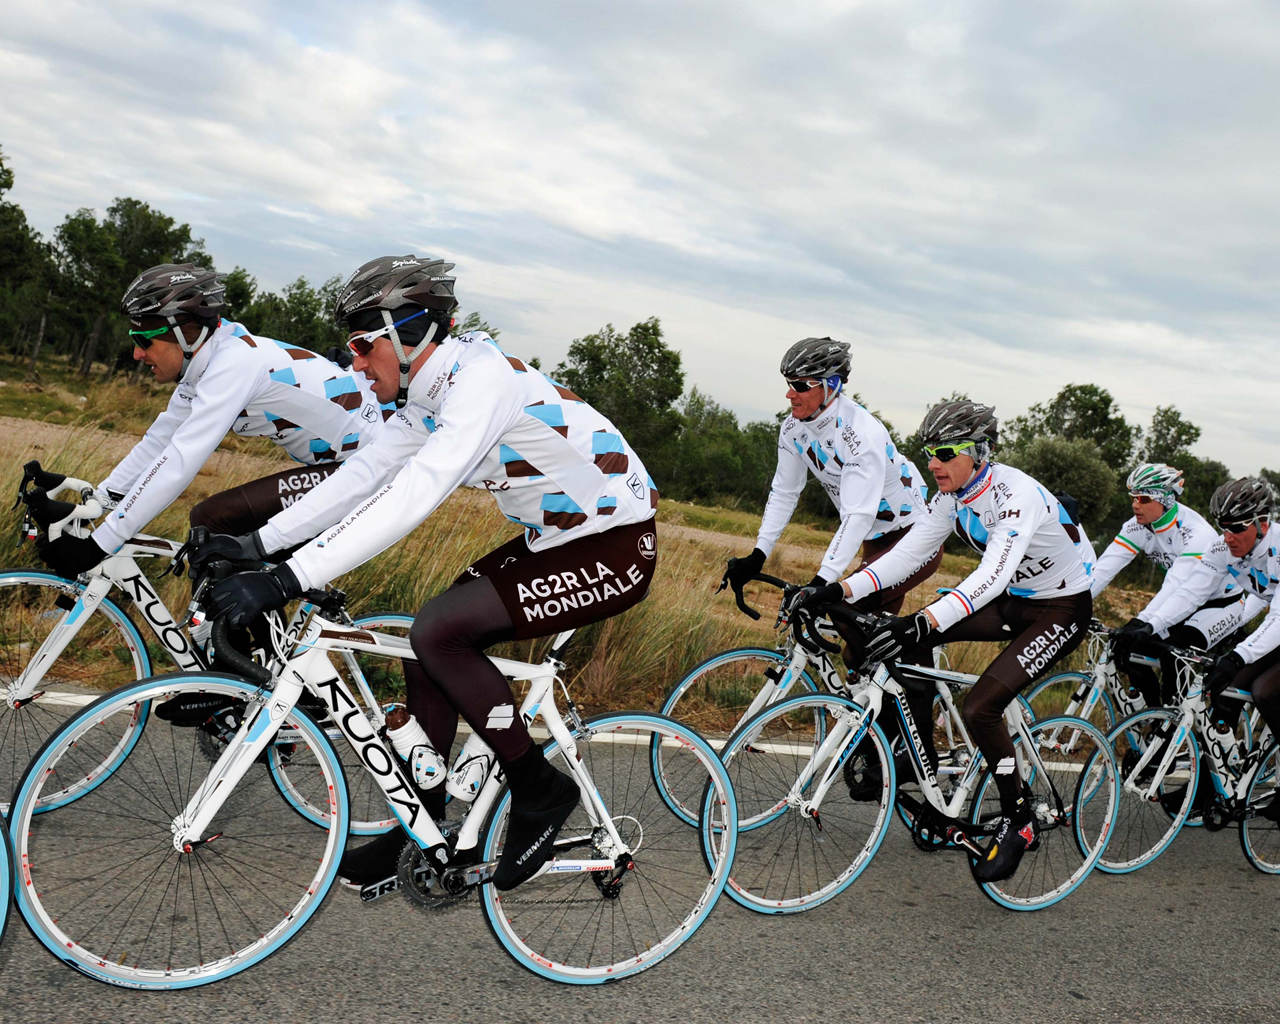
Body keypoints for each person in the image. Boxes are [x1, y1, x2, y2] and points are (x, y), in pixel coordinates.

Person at [201, 254, 659, 890]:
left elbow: (415, 492)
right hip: (557, 539)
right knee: (428, 645)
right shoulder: (430, 389)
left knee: (440, 631)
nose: (355, 363)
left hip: (615, 545)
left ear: (408, 333)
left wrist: (289, 577)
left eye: (363, 346)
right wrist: (260, 545)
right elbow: (365, 474)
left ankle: (539, 790)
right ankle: (430, 823)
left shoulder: (480, 382)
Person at [818, 399, 1093, 882]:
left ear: (979, 452)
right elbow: (905, 555)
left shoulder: (1015, 495)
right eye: (929, 452)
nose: (933, 463)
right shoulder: (951, 497)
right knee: (904, 647)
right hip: (1017, 600)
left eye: (945, 452)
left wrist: (923, 620)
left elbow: (990, 576)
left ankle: (1019, 816)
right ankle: (913, 752)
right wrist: (839, 588)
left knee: (980, 707)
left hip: (1060, 609)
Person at [37, 263, 387, 583]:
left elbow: (180, 460)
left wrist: (102, 543)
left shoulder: (234, 363)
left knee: (213, 520)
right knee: (222, 547)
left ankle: (229, 643)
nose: (137, 354)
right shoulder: (204, 364)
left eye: (145, 340)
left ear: (185, 335)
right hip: (338, 462)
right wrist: (100, 500)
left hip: (369, 462)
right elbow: (160, 440)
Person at [723, 337, 938, 657]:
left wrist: (823, 579)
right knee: (861, 651)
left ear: (831, 385)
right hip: (876, 540)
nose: (788, 393)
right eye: (787, 383)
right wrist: (758, 554)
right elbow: (784, 491)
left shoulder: (860, 433)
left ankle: (917, 684)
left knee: (844, 611)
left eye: (799, 384)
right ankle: (892, 689)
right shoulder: (793, 429)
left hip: (913, 537)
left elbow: (857, 515)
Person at [1090, 463, 1246, 709]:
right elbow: (1103, 569)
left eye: (1143, 498)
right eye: (1133, 497)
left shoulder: (1196, 533)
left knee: (1173, 657)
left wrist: (1143, 621)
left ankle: (1178, 731)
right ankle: (1154, 720)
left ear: (1165, 500)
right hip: (1181, 601)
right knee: (1131, 652)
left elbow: (1176, 585)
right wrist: (1073, 603)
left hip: (1219, 605)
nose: (1135, 504)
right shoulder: (1136, 526)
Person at [1191, 478, 1280, 818]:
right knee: (1223, 691)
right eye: (1222, 527)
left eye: (1237, 528)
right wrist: (1150, 625)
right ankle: (1208, 785)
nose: (1227, 537)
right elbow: (1190, 592)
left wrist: (1240, 653)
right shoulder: (1226, 548)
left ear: (1262, 524)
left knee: (1266, 691)